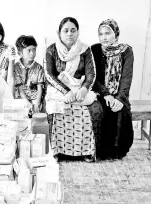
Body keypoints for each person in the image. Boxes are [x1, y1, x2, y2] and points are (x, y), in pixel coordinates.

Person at [44, 17, 103, 162]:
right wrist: (66, 92)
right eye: (66, 31)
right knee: (54, 107)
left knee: (93, 106)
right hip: (59, 88)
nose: (69, 34)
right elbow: (49, 75)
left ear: (77, 32)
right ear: (59, 33)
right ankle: (56, 151)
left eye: (73, 30)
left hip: (79, 87)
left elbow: (91, 74)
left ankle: (86, 152)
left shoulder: (85, 50)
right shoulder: (51, 50)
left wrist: (84, 89)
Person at [91, 19, 134, 160]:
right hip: (100, 92)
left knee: (121, 112)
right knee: (101, 110)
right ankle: (101, 152)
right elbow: (93, 77)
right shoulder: (95, 50)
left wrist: (120, 98)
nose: (104, 37)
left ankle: (117, 152)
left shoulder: (126, 51)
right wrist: (106, 94)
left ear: (116, 33)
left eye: (108, 33)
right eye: (101, 34)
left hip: (119, 94)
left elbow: (126, 77)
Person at [13, 35, 45, 114]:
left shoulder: (39, 68)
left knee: (37, 115)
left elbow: (40, 87)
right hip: (21, 99)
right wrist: (27, 102)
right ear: (20, 53)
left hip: (35, 98)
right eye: (29, 50)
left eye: (34, 50)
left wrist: (37, 103)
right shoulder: (16, 67)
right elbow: (20, 89)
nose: (32, 53)